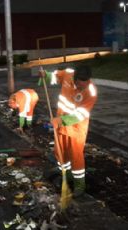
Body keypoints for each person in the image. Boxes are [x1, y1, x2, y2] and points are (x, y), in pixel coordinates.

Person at [39, 65, 97, 197]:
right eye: (80, 85)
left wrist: (60, 120)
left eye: (86, 83)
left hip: (76, 128)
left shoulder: (91, 91)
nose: (82, 88)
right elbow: (55, 76)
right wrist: (46, 75)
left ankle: (79, 185)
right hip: (60, 125)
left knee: (75, 155)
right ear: (75, 79)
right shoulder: (68, 74)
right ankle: (66, 176)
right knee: (60, 152)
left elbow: (79, 115)